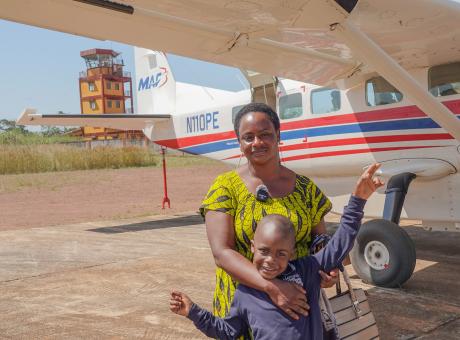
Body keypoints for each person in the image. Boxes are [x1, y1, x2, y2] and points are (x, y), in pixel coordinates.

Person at [170, 163, 384, 339]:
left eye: (281, 253)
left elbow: (340, 243)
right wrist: (192, 311)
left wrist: (358, 200)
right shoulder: (244, 294)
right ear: (252, 247)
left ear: (292, 254)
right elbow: (228, 331)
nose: (270, 260)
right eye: (264, 250)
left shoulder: (306, 270)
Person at [199, 103, 337, 338]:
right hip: (244, 308)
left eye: (265, 135)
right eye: (248, 137)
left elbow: (319, 240)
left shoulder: (305, 188)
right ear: (239, 142)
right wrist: (273, 288)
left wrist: (327, 270)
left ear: (278, 136)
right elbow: (221, 253)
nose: (257, 143)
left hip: (297, 311)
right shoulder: (225, 188)